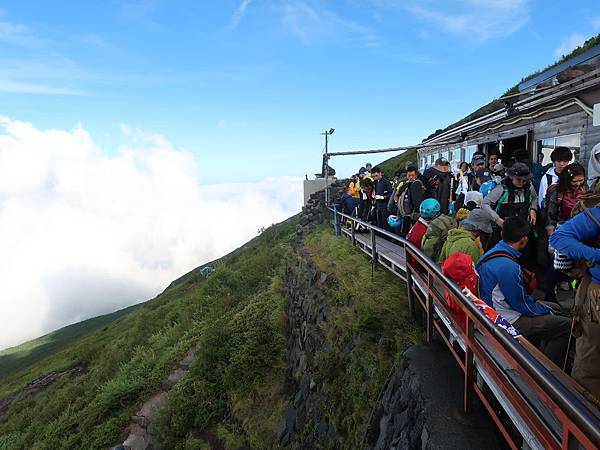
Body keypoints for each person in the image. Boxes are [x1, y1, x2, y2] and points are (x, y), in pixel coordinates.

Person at [477, 216, 571, 366]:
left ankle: (540, 354)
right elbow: (522, 305)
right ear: (524, 240)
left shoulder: (492, 253)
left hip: (490, 309)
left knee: (555, 309)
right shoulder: (509, 267)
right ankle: (548, 372)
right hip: (504, 319)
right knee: (565, 325)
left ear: (502, 234)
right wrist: (544, 309)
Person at [550, 203, 600, 400]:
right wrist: (595, 255)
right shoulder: (596, 214)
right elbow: (559, 237)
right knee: (590, 363)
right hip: (595, 300)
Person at [543, 163, 586, 301]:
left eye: (581, 180)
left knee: (578, 266)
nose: (578, 184)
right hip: (561, 231)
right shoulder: (557, 191)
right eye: (575, 181)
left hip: (579, 232)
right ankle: (550, 295)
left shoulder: (584, 190)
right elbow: (550, 215)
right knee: (557, 266)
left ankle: (577, 296)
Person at [483, 162, 538, 256]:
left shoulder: (529, 187)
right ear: (511, 177)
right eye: (518, 180)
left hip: (522, 229)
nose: (521, 183)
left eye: (524, 180)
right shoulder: (502, 188)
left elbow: (534, 198)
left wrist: (533, 209)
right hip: (503, 230)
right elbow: (485, 203)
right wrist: (496, 219)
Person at [395, 164, 426, 235]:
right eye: (409, 175)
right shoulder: (405, 185)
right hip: (407, 214)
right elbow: (397, 194)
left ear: (416, 175)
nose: (411, 177)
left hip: (413, 214)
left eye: (412, 175)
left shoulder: (417, 184)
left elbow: (417, 202)